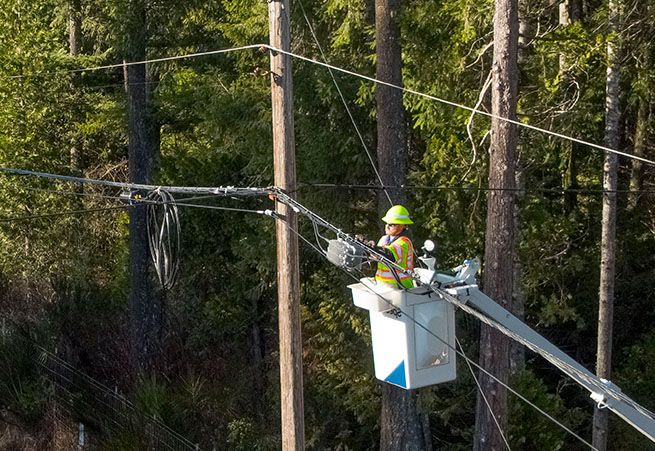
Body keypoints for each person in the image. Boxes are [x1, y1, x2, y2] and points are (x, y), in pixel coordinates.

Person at [373, 205, 415, 289]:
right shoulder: (384, 239)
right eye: (387, 223)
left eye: (391, 224)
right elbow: (375, 256)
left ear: (402, 226)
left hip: (401, 289)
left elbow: (389, 254)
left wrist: (373, 248)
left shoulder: (404, 242)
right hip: (383, 286)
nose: (387, 226)